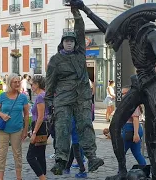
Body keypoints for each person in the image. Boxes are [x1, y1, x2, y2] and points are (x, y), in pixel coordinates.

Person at [72, 1, 156, 179]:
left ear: (135, 22)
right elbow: (108, 29)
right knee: (115, 125)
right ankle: (122, 170)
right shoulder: (132, 34)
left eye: (127, 25)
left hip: (153, 85)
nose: (123, 30)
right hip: (139, 84)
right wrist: (86, 10)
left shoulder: (150, 33)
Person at [45, 6, 103, 175]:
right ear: (62, 43)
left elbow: (80, 30)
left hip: (82, 97)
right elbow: (50, 82)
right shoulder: (55, 60)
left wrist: (76, 13)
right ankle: (60, 160)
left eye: (71, 40)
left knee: (86, 126)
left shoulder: (80, 54)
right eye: (66, 40)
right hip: (63, 98)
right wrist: (49, 102)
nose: (69, 42)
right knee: (62, 129)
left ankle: (92, 157)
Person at [0, 74, 29, 180]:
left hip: (17, 129)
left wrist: (25, 131)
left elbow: (26, 114)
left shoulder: (23, 97)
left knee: (17, 154)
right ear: (9, 83)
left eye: (19, 82)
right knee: (1, 153)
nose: (17, 84)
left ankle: (19, 177)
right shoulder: (2, 96)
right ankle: (0, 178)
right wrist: (2, 115)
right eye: (15, 82)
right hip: (3, 130)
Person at [26, 76, 48, 180]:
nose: (31, 87)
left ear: (37, 84)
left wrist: (34, 132)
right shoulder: (45, 95)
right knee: (40, 155)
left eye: (32, 84)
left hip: (40, 127)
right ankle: (43, 176)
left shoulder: (40, 97)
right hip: (44, 126)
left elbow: (40, 116)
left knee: (30, 156)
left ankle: (42, 177)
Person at [121, 87, 146, 166]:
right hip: (132, 129)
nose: (123, 95)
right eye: (122, 93)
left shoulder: (132, 104)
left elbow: (135, 119)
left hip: (131, 129)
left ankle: (121, 172)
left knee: (121, 153)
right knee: (136, 152)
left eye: (125, 93)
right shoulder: (128, 103)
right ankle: (144, 169)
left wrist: (136, 134)